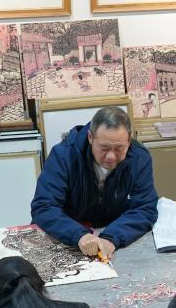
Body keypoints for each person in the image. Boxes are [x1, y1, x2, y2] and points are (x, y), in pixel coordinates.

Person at [31, 106, 158, 261]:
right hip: (67, 234)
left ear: (129, 140)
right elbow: (44, 206)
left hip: (114, 233)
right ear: (90, 137)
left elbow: (144, 208)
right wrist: (79, 235)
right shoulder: (64, 156)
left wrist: (112, 237)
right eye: (104, 148)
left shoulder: (139, 159)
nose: (111, 156)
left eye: (119, 148)